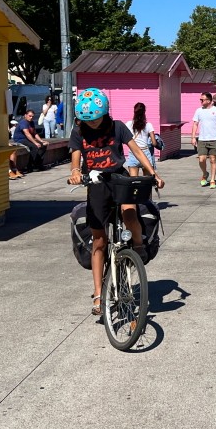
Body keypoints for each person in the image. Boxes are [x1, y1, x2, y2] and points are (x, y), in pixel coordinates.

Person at [67, 88, 164, 316]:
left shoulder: (118, 126)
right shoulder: (78, 130)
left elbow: (137, 151)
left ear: (104, 113)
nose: (91, 124)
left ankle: (138, 248)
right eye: (86, 120)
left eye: (96, 119)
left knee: (130, 213)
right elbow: (75, 156)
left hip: (118, 178)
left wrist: (153, 173)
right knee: (99, 241)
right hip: (96, 184)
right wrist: (74, 171)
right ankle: (99, 295)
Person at [191, 92, 216, 189]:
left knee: (213, 160)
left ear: (209, 101)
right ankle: (205, 173)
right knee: (201, 159)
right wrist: (193, 137)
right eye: (200, 100)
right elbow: (195, 124)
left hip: (214, 139)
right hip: (202, 139)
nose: (200, 101)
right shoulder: (198, 111)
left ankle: (212, 180)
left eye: (202, 100)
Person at [125, 102, 157, 177]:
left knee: (133, 182)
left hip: (133, 153)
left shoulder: (128, 124)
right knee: (146, 183)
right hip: (145, 153)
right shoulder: (149, 125)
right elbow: (154, 143)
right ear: (144, 112)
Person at [12, 110, 47, 174]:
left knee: (43, 145)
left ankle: (38, 164)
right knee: (34, 147)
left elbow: (35, 133)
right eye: (29, 116)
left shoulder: (31, 122)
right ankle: (30, 166)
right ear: (25, 115)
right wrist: (35, 143)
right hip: (20, 139)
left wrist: (41, 141)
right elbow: (27, 134)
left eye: (32, 116)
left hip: (27, 139)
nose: (31, 117)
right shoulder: (23, 122)